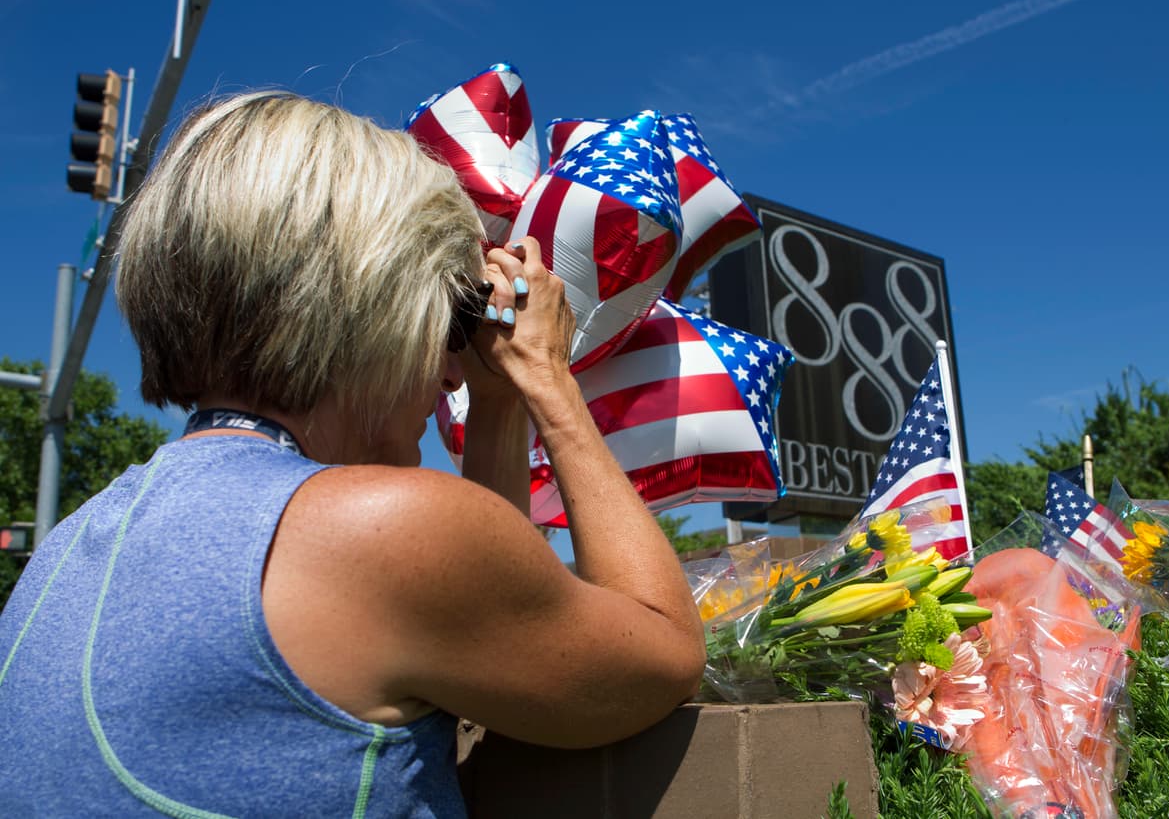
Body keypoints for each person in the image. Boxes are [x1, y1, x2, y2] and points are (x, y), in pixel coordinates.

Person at [0, 92, 705, 816]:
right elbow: (665, 651)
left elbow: (492, 636)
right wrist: (549, 381)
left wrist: (497, 403)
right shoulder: (380, 532)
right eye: (451, 322)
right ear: (375, 302)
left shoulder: (66, 551)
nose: (453, 372)